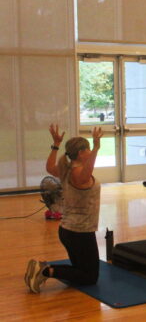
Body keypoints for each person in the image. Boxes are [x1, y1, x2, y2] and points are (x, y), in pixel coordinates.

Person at [25, 124, 103, 293]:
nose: (90, 153)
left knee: (81, 269)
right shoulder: (78, 174)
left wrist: (55, 145)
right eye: (88, 150)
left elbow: (48, 167)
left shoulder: (65, 169)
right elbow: (88, 170)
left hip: (68, 230)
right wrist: (96, 147)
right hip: (80, 232)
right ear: (81, 153)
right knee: (90, 277)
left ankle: (42, 268)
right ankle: (44, 271)